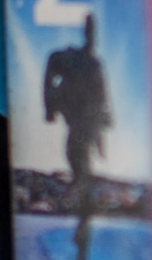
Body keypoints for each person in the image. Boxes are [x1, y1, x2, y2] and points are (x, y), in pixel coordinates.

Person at [42, 11, 112, 202]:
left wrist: (105, 122)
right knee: (76, 154)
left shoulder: (94, 65)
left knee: (78, 153)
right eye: (90, 33)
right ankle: (83, 190)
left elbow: (103, 94)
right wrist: (50, 107)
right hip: (81, 115)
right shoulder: (67, 58)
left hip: (88, 118)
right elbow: (50, 79)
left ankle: (83, 191)